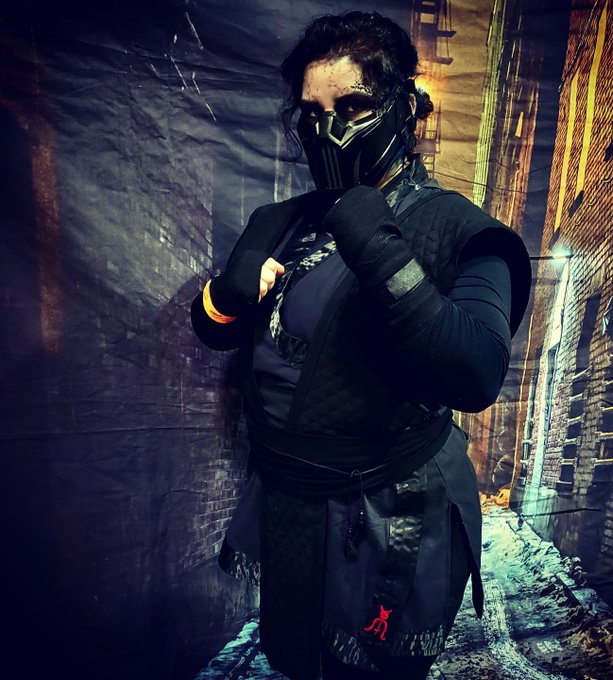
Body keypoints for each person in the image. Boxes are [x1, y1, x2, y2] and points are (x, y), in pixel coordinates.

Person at [191, 11, 531, 680]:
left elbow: (475, 374)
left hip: (390, 509)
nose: (329, 131)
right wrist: (224, 298)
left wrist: (380, 248)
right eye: (313, 114)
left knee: (370, 671)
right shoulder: (282, 221)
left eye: (351, 106)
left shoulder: (460, 230)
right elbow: (216, 331)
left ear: (402, 107)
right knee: (294, 657)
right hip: (290, 497)